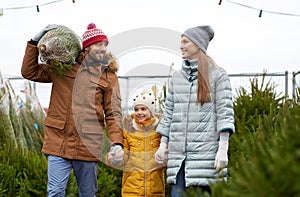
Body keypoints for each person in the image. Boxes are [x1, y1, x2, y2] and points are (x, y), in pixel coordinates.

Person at [21, 23, 124, 197]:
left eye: (105, 44)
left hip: (88, 145)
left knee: (87, 194)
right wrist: (34, 42)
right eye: (98, 44)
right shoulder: (63, 68)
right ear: (87, 47)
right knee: (55, 192)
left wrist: (117, 143)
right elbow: (29, 72)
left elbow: (113, 114)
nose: (103, 48)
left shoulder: (109, 77)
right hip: (58, 141)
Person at [154, 25, 235, 197]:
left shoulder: (218, 76)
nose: (181, 46)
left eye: (185, 42)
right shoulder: (177, 77)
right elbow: (169, 112)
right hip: (179, 160)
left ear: (198, 45)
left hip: (205, 159)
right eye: (181, 41)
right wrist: (163, 144)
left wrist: (223, 148)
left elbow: (225, 113)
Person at [107, 90, 167, 197]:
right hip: (132, 189)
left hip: (155, 189)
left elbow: (164, 159)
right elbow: (123, 156)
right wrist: (114, 158)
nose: (139, 112)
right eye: (136, 109)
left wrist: (165, 158)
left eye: (143, 109)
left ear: (151, 111)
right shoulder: (128, 131)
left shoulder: (159, 131)